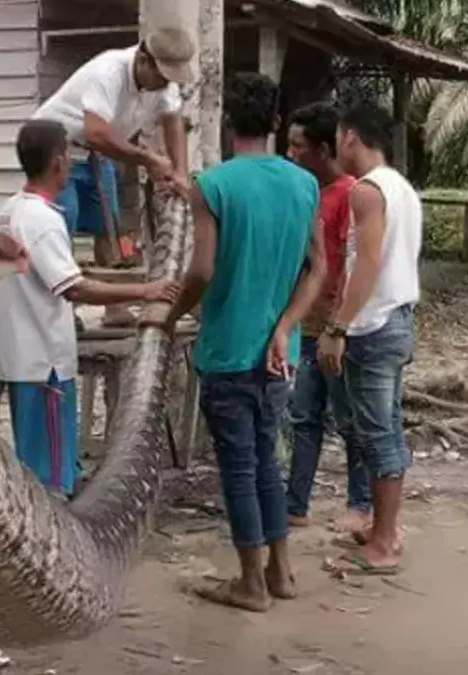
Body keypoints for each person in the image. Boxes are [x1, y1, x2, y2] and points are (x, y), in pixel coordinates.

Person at [143, 72, 326, 611]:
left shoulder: (215, 185)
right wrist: (287, 326)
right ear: (274, 123)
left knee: (239, 467)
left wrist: (172, 313)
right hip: (279, 353)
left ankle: (249, 583)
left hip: (227, 350)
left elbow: (200, 268)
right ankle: (281, 572)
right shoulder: (304, 184)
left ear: (227, 124)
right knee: (267, 460)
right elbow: (318, 268)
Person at [0, 119, 178, 497]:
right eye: (68, 158)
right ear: (57, 162)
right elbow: (74, 289)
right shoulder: (41, 220)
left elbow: (49, 274)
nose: (72, 165)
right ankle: (55, 525)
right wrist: (146, 290)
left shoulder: (11, 209)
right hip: (43, 360)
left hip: (17, 352)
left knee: (36, 456)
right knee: (50, 473)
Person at [318, 103, 422, 575]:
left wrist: (338, 326)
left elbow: (369, 263)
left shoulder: (367, 191)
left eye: (337, 137)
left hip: (375, 324)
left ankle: (384, 540)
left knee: (377, 433)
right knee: (385, 427)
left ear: (351, 137)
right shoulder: (402, 188)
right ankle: (384, 526)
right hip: (396, 316)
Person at [32, 27, 194, 327]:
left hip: (98, 153)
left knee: (109, 229)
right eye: (160, 75)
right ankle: (61, 311)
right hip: (56, 149)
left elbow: (173, 121)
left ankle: (114, 306)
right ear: (144, 59)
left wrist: (180, 171)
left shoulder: (163, 84)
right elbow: (95, 132)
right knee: (59, 226)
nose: (163, 84)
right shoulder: (108, 71)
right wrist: (148, 159)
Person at [281, 102, 365, 530]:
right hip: (308, 324)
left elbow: (352, 263)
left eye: (298, 146)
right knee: (304, 415)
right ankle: (296, 503)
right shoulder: (306, 191)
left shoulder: (350, 194)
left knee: (349, 419)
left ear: (321, 149)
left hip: (336, 327)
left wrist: (340, 327)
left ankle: (360, 503)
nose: (291, 153)